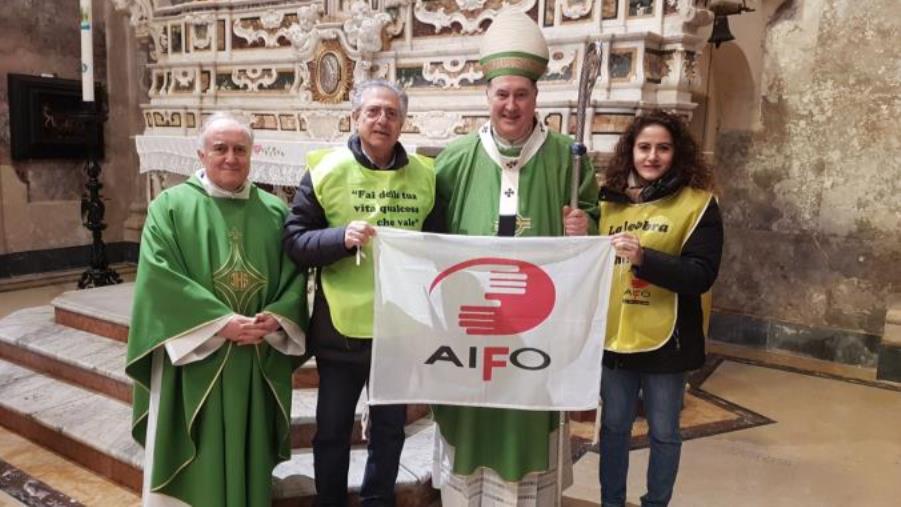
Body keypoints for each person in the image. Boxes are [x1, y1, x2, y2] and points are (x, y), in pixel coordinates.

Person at [430, 11, 599, 506]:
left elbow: (593, 223)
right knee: (471, 407)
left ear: (535, 98)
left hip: (536, 325)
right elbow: (430, 234)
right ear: (487, 96)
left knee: (528, 410)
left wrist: (584, 226)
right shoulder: (457, 157)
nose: (511, 105)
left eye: (521, 94)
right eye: (501, 94)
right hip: (471, 326)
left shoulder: (568, 158)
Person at [126, 112, 308, 507]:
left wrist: (277, 316)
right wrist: (220, 323)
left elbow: (295, 278)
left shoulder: (275, 212)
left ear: (252, 154)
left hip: (254, 355)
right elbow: (159, 278)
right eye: (220, 148)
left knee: (248, 450)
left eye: (239, 149)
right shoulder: (170, 207)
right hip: (195, 359)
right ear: (201, 153)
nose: (230, 158)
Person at [282, 79, 442, 506]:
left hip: (399, 329)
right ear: (355, 117)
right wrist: (339, 238)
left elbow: (439, 247)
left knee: (390, 430)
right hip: (342, 329)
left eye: (391, 113)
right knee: (332, 430)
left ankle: (377, 500)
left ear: (403, 122)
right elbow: (294, 242)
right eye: (372, 111)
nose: (382, 120)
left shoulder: (425, 175)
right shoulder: (326, 169)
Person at [598, 109, 724, 507]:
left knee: (665, 432)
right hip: (614, 339)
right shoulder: (609, 204)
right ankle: (611, 502)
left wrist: (644, 258)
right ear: (630, 152)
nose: (652, 157)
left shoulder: (699, 205)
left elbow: (700, 274)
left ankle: (656, 502)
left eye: (663, 148)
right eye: (644, 147)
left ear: (677, 154)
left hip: (667, 343)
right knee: (614, 429)